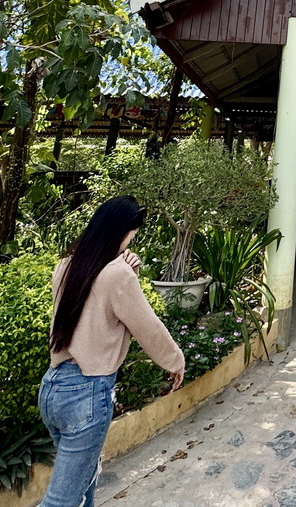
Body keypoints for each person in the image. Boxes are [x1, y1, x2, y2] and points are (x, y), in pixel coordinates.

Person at [38, 196, 184, 507]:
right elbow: (147, 326)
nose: (134, 238)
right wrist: (175, 360)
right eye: (133, 233)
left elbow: (93, 306)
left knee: (84, 478)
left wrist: (126, 269)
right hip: (87, 392)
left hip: (53, 388)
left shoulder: (66, 266)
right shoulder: (118, 276)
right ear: (123, 233)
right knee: (60, 500)